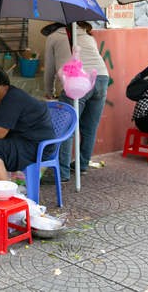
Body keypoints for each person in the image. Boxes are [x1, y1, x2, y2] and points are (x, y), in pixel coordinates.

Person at [40, 22, 109, 184]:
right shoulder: (87, 35)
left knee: (66, 128)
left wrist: (49, 92)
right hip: (101, 78)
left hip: (77, 81)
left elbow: (49, 69)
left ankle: (63, 172)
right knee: (89, 127)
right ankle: (81, 165)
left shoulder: (53, 37)